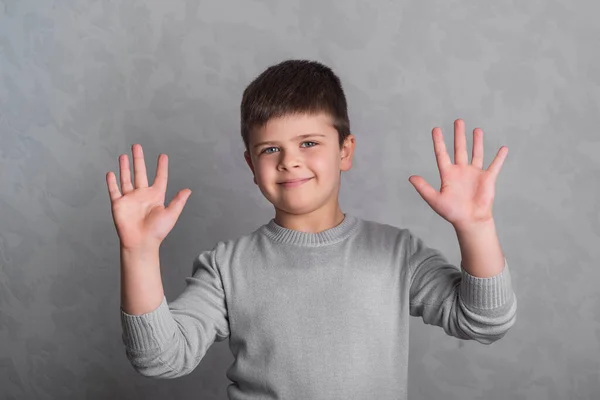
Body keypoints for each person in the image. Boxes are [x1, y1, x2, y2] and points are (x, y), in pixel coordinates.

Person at [106, 59, 517, 400]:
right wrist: (138, 253)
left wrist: (476, 226)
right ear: (251, 165)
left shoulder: (397, 253)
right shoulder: (225, 268)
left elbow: (484, 321)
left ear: (345, 151)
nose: (289, 161)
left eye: (308, 143)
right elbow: (160, 358)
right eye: (271, 149)